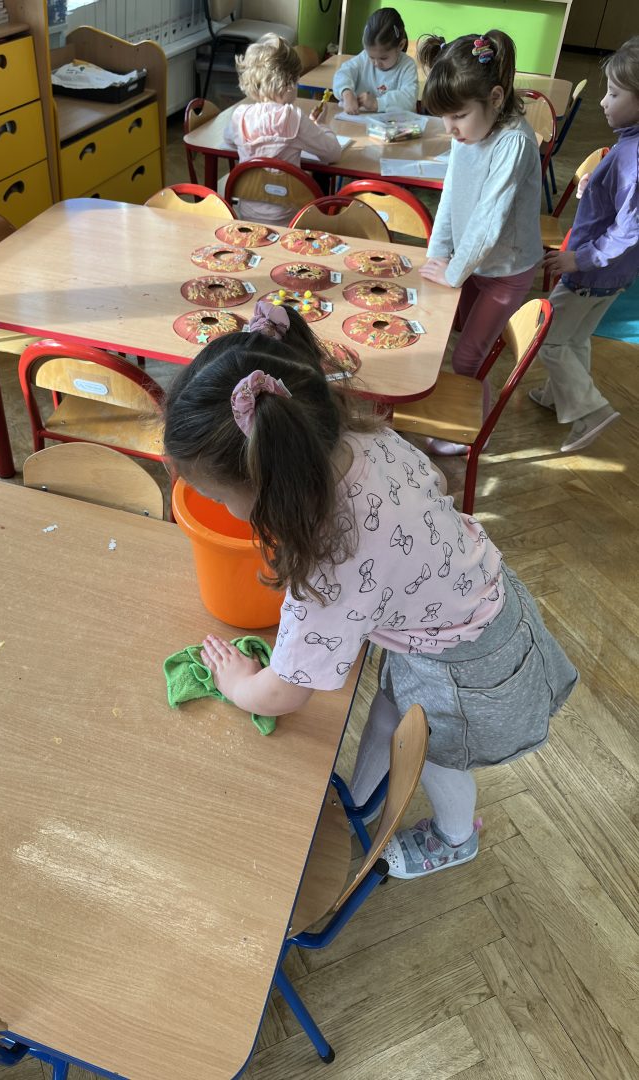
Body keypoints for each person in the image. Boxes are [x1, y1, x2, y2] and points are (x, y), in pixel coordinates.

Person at [163, 302, 578, 879]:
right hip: (474, 600)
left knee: (436, 757)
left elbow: (285, 693)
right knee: (394, 713)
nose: (220, 507)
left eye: (216, 496)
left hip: (466, 665)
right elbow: (432, 488)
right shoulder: (362, 436)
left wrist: (238, 685)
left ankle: (456, 838)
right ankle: (361, 800)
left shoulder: (331, 560)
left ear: (270, 484)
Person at [417, 30, 543, 455]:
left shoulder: (515, 142)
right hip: (474, 263)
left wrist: (453, 272)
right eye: (444, 117)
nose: (449, 129)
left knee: (469, 357)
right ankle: (462, 416)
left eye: (458, 116)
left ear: (495, 97)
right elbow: (451, 196)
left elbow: (488, 224)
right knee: (456, 339)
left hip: (507, 271)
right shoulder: (467, 134)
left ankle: (474, 434)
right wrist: (439, 256)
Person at [532, 36, 639, 454]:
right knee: (574, 338)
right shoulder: (629, 145)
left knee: (550, 339)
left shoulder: (632, 158)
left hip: (590, 272)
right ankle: (556, 396)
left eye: (614, 94)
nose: (603, 102)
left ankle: (590, 411)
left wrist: (580, 259)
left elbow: (629, 228)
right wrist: (595, 186)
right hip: (612, 275)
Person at [224, 33, 341, 226]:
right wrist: (322, 125)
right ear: (288, 84)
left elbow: (228, 140)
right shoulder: (293, 118)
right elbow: (333, 153)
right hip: (291, 221)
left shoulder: (240, 116)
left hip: (247, 219)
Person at [333, 8, 418, 114]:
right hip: (360, 121)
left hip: (394, 123)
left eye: (383, 58)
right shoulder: (363, 59)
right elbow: (343, 73)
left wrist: (377, 103)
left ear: (401, 45)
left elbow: (409, 99)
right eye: (371, 57)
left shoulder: (407, 66)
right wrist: (346, 93)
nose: (376, 63)